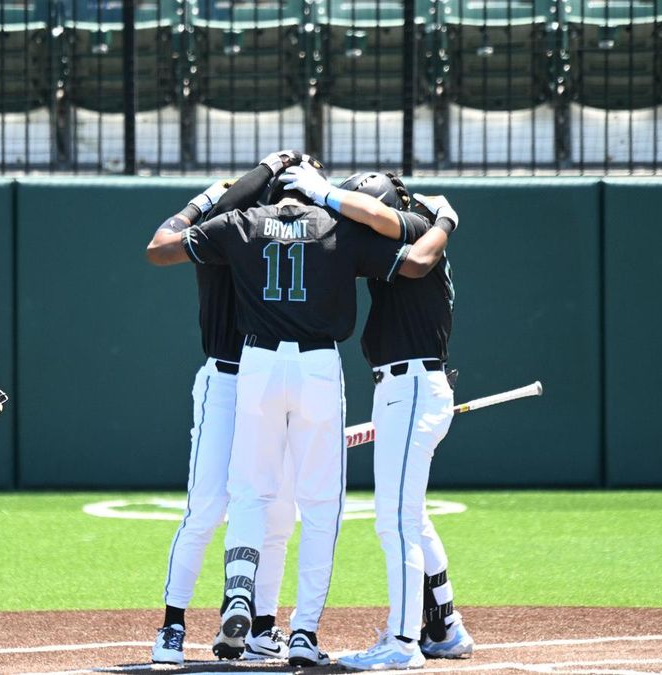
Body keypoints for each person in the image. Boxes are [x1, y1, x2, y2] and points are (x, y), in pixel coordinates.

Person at [146, 156, 454, 667]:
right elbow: (416, 262)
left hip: (255, 366)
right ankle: (304, 631)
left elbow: (160, 249)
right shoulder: (337, 227)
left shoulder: (238, 223)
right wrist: (444, 219)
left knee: (249, 493)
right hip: (316, 369)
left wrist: (209, 197)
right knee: (318, 507)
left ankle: (235, 593)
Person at [292, 171, 473, 670]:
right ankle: (447, 628)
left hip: (412, 385)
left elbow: (374, 215)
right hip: (405, 386)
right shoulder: (415, 230)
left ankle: (402, 641)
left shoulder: (416, 226)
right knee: (409, 515)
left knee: (395, 522)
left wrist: (323, 191)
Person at [149, 153, 303, 666]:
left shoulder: (294, 233)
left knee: (278, 514)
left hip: (274, 387)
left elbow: (171, 232)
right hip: (228, 379)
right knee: (207, 508)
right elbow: (162, 244)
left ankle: (261, 625)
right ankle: (173, 623)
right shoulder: (228, 231)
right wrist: (239, 185)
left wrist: (210, 195)